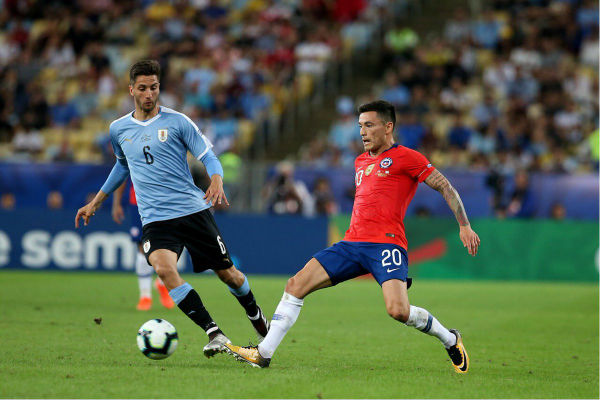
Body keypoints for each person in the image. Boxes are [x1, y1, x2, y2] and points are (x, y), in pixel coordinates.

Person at [224, 100, 480, 373]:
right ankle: (263, 353)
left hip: (386, 244)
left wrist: (463, 225)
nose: (362, 132)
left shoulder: (407, 157)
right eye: (360, 126)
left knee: (398, 311)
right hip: (351, 243)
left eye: (369, 125)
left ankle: (450, 339)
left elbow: (445, 187)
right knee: (295, 285)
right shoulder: (360, 162)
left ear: (388, 126)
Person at [75, 60, 269, 358]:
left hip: (192, 211)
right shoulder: (118, 129)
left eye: (154, 87)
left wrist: (217, 179)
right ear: (131, 91)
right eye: (142, 88)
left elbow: (209, 155)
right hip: (155, 218)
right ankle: (214, 332)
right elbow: (122, 165)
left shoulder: (178, 121)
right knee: (164, 269)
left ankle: (255, 314)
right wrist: (95, 202)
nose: (149, 94)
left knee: (228, 274)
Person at [112, 179, 174, 311]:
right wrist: (116, 204)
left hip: (164, 202)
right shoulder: (131, 157)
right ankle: (145, 296)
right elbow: (120, 174)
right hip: (139, 203)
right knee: (142, 247)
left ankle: (162, 283)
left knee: (165, 246)